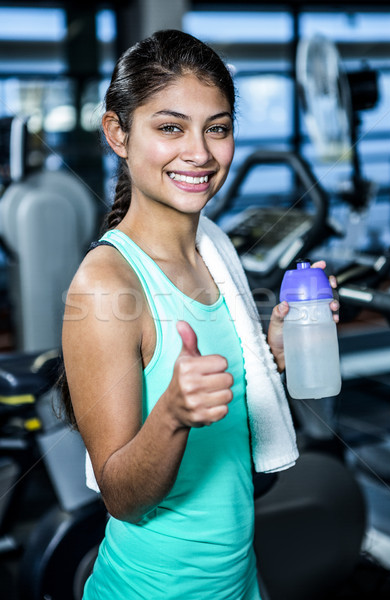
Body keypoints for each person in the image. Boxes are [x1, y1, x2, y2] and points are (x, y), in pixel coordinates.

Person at [60, 29, 338, 600]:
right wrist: (172, 416)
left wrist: (274, 354)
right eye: (170, 128)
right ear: (118, 133)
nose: (200, 153)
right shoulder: (107, 283)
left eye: (218, 128)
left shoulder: (214, 249)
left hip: (238, 581)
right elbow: (121, 497)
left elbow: (230, 405)